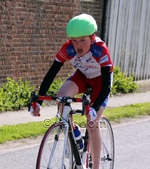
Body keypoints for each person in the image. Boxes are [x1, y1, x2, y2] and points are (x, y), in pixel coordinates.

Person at [30, 13, 113, 169]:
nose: (78, 45)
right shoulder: (68, 48)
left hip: (101, 82)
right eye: (74, 40)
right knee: (61, 98)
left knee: (92, 123)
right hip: (82, 76)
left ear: (92, 37)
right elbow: (51, 74)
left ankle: (95, 167)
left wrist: (94, 109)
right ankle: (75, 133)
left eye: (83, 40)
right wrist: (39, 101)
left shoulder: (100, 49)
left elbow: (107, 85)